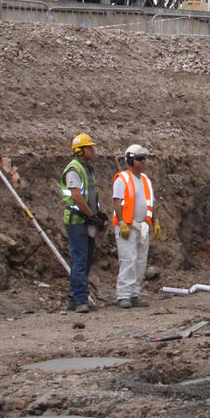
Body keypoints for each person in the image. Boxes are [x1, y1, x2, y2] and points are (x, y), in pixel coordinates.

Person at [61, 132, 106, 313]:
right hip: (77, 220)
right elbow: (77, 197)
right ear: (80, 150)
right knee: (80, 259)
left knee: (85, 259)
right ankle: (80, 299)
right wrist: (91, 215)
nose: (92, 150)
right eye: (89, 147)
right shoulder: (74, 169)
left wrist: (97, 213)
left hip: (85, 219)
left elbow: (90, 195)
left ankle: (75, 296)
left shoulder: (86, 168)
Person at [113, 143, 160, 309]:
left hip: (142, 227)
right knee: (128, 260)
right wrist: (121, 223)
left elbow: (150, 203)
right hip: (127, 226)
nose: (143, 162)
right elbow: (117, 203)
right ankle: (124, 294)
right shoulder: (122, 179)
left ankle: (134, 293)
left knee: (140, 261)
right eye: (139, 159)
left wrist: (154, 221)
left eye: (144, 159)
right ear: (130, 160)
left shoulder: (146, 180)